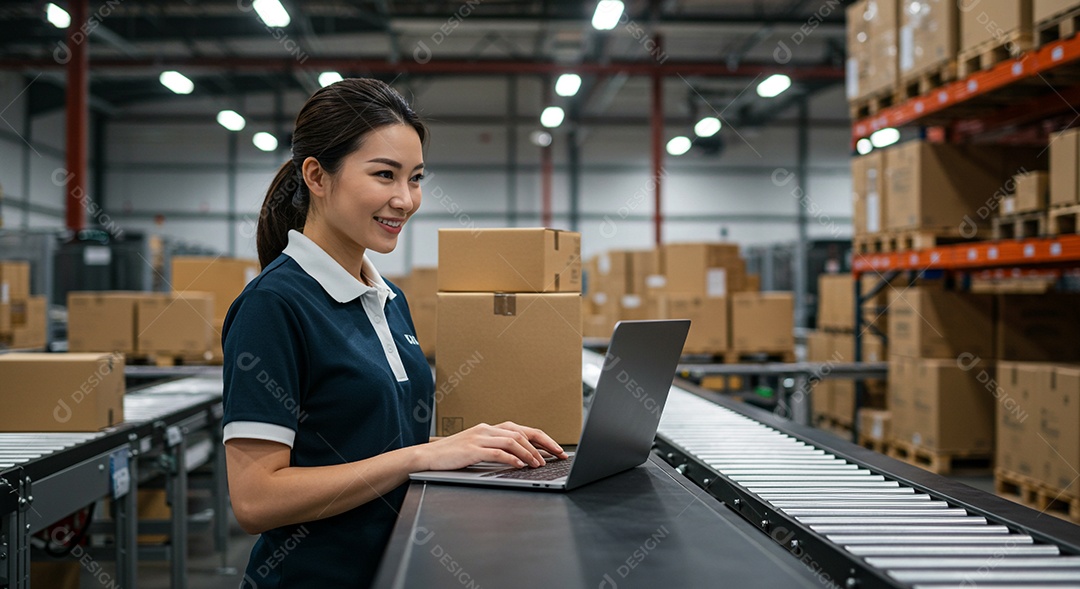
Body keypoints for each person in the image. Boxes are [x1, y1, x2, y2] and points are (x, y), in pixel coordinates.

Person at [221, 78, 568, 588]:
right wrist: (422, 456)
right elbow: (255, 500)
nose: (405, 200)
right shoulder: (273, 306)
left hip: (396, 568)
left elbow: (374, 442)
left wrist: (470, 447)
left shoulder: (387, 297)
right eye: (385, 175)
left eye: (416, 178)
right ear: (317, 176)